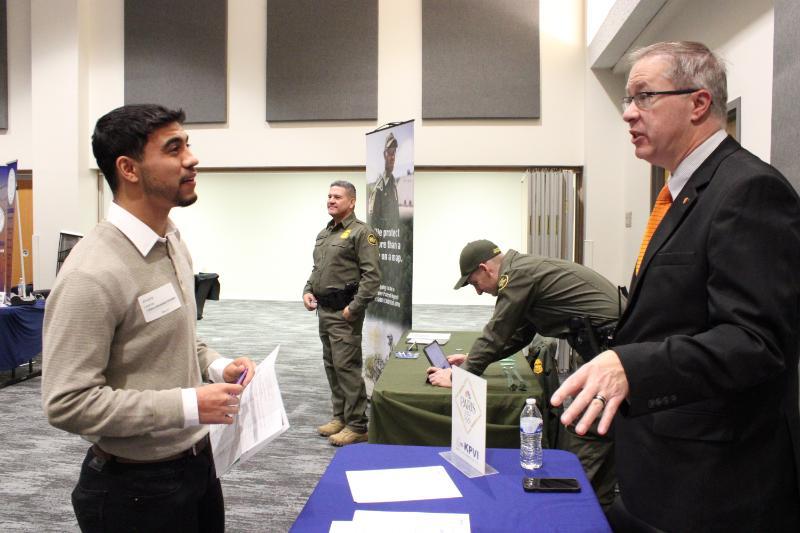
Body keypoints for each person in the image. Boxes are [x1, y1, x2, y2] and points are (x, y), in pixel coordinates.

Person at [552, 41, 800, 532]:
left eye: (643, 96)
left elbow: (759, 341)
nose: (627, 114)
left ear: (699, 103)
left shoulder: (748, 189)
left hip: (717, 484)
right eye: (627, 100)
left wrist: (632, 364)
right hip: (663, 465)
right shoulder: (681, 190)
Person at [42, 104, 257, 532]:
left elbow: (174, 335)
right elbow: (67, 402)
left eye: (187, 145)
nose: (191, 159)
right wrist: (189, 403)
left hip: (196, 465)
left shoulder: (171, 241)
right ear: (129, 168)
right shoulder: (92, 273)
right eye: (173, 148)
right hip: (133, 491)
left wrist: (217, 364)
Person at [426, 239, 623, 508]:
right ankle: (600, 503)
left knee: (587, 429)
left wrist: (460, 377)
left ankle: (579, 512)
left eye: (475, 283)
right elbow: (516, 335)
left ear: (486, 268)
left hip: (613, 346)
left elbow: (496, 332)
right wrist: (472, 360)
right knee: (598, 429)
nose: (478, 292)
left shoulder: (517, 276)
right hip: (606, 346)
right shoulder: (523, 270)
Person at [303, 181, 381, 446]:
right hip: (324, 311)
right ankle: (341, 417)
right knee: (332, 367)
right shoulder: (325, 234)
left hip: (344, 312)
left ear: (352, 202)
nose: (331, 200)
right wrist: (307, 290)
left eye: (337, 196)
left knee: (347, 368)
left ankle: (358, 425)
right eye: (329, 196)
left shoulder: (362, 233)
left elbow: (372, 277)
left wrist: (354, 308)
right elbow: (317, 269)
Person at [368, 133, 400, 233]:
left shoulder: (393, 184)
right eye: (390, 152)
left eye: (394, 152)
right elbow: (372, 224)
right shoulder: (379, 188)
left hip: (394, 241)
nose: (392, 157)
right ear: (384, 155)